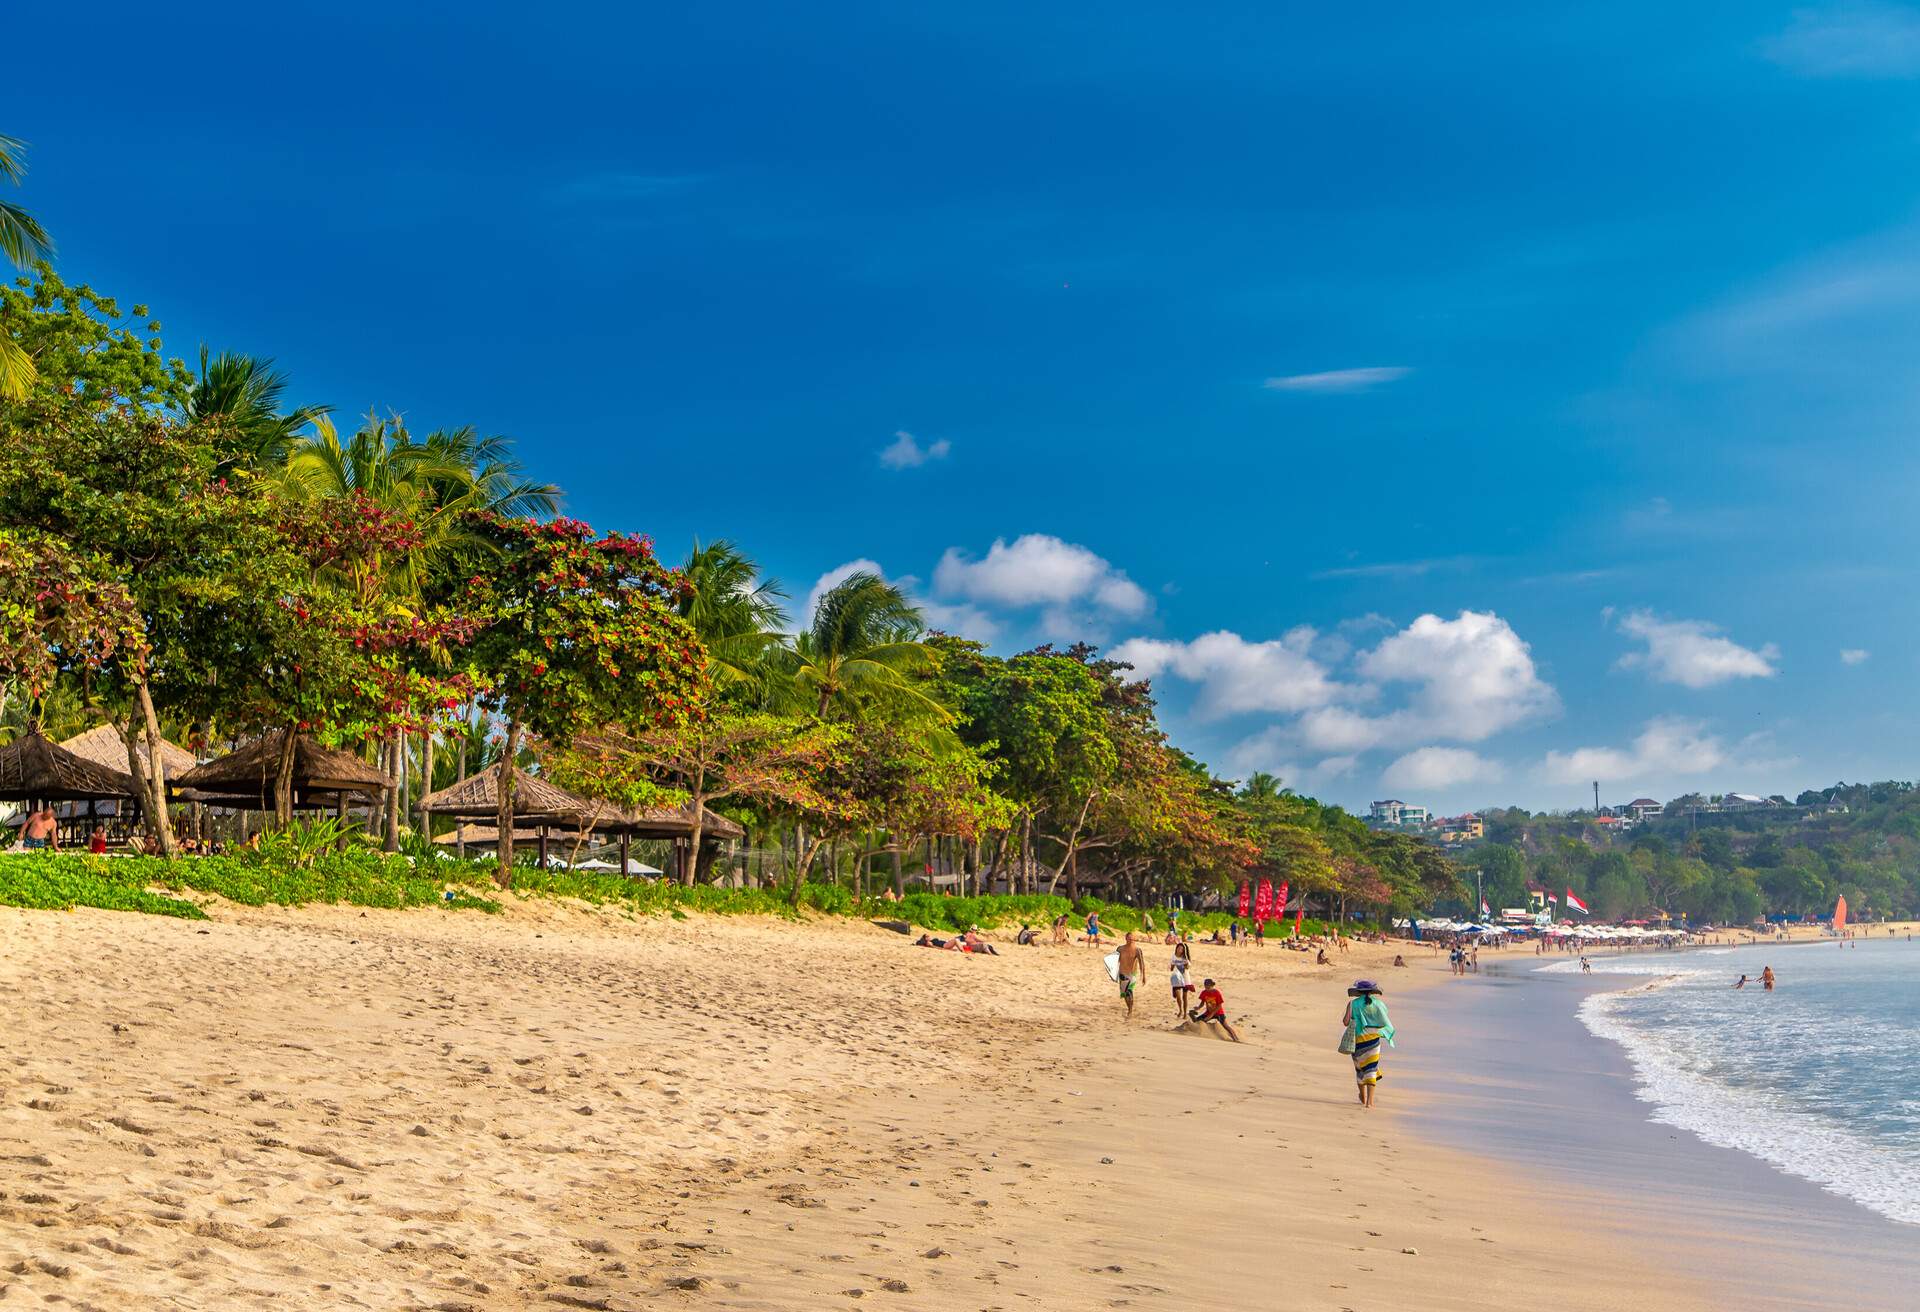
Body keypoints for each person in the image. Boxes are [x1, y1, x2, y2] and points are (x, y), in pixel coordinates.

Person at [1343, 980, 1394, 1108]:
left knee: (1360, 1069)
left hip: (1358, 1040)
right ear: (1372, 991)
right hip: (1373, 1040)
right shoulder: (1378, 1004)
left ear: (1358, 991)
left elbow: (1345, 1022)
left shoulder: (1352, 1004)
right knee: (1371, 1068)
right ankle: (1369, 1102)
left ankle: (1363, 1096)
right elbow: (1383, 1022)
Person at [1193, 978, 1241, 1042]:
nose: (1206, 986)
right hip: (1208, 1012)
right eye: (1205, 985)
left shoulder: (1216, 993)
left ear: (1212, 985)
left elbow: (1219, 1005)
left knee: (1225, 1026)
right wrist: (1198, 1007)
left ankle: (1235, 1039)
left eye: (1208, 985)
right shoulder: (1204, 992)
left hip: (1218, 1013)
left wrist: (1211, 1015)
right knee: (1197, 1021)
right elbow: (1202, 1002)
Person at [1116, 931, 1146, 1018]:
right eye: (1130, 939)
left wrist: (1143, 975)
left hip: (1132, 974)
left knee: (1129, 992)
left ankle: (1130, 1011)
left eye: (1133, 939)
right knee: (1124, 994)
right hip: (1122, 974)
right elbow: (1115, 961)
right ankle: (1129, 1008)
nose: (1132, 940)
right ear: (1126, 939)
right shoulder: (1120, 949)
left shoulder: (1137, 950)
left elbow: (1142, 963)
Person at [1169, 939, 1195, 1019]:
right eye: (1178, 948)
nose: (1179, 950)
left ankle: (1184, 1013)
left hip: (1185, 978)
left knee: (1184, 996)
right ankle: (1180, 1010)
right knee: (1178, 995)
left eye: (1181, 949)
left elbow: (1188, 967)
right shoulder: (1173, 956)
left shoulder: (1185, 958)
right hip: (1176, 978)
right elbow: (1171, 968)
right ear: (1176, 948)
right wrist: (1173, 966)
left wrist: (1186, 963)